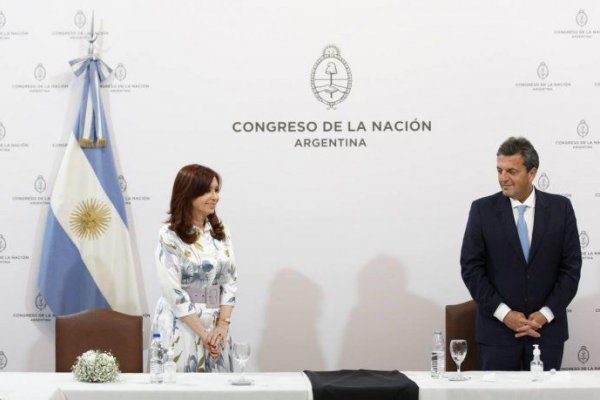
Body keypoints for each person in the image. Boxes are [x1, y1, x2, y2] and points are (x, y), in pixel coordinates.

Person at [460, 137, 581, 371]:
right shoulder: (482, 210)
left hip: (546, 334)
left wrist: (544, 314)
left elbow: (571, 269)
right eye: (500, 170)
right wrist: (505, 314)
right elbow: (471, 269)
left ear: (532, 173)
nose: (503, 178)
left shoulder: (561, 208)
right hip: (497, 335)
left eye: (512, 171)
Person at [153, 164, 237, 372]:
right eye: (207, 191)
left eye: (216, 190)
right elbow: (173, 291)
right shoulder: (169, 235)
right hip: (182, 325)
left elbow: (230, 280)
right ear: (188, 194)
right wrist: (204, 335)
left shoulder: (221, 232)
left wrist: (222, 326)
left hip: (216, 326)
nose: (215, 197)